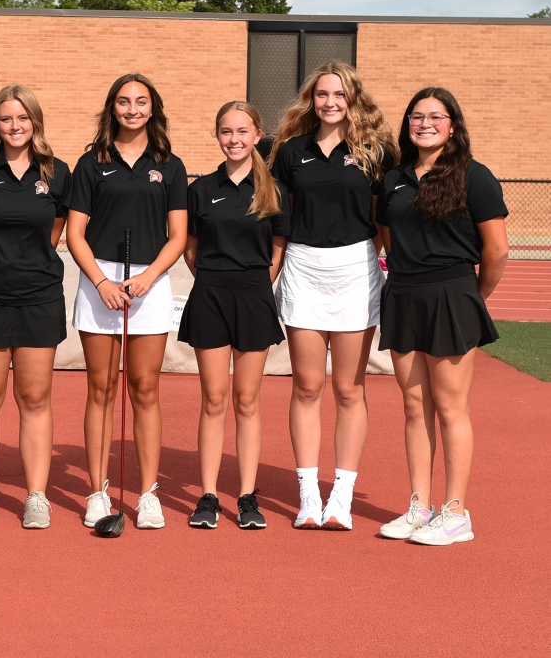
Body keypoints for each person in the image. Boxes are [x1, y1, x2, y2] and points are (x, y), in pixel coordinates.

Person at [268, 60, 399, 530]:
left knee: (348, 389)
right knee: (306, 386)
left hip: (355, 268)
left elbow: (385, 218)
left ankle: (341, 495)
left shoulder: (375, 150)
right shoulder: (289, 150)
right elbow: (278, 218)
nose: (330, 102)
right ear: (311, 98)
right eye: (322, 94)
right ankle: (308, 493)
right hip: (303, 267)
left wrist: (381, 260)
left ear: (352, 98)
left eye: (339, 95)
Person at [376, 88, 508, 545]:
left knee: (451, 409)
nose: (424, 124)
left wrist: (473, 297)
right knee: (415, 407)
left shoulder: (476, 176)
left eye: (435, 116)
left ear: (453, 124)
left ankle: (456, 512)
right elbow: (387, 238)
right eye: (416, 116)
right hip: (404, 295)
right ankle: (419, 505)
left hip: (452, 295)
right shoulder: (393, 178)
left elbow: (497, 249)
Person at [68, 73, 188, 530]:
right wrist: (100, 281)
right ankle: (97, 491)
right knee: (100, 389)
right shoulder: (91, 163)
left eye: (140, 102)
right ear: (112, 108)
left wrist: (149, 277)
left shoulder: (170, 165)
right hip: (99, 282)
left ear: (152, 108)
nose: (132, 109)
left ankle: (148, 493)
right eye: (123, 102)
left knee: (145, 390)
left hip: (148, 284)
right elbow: (75, 233)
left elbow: (177, 236)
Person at [0, 85, 71, 530]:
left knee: (36, 398)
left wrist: (25, 270)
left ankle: (36, 496)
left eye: (23, 118)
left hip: (39, 297)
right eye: (6, 119)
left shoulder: (58, 173)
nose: (15, 126)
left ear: (35, 122)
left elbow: (54, 233)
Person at [179, 101, 289, 529]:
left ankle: (246, 497)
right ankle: (207, 496)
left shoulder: (274, 190)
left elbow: (277, 252)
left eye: (242, 131)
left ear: (257, 134)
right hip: (210, 294)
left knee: (247, 400)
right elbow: (190, 249)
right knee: (214, 399)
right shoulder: (201, 188)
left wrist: (252, 285)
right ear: (217, 136)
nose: (234, 139)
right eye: (226, 131)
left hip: (254, 297)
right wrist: (215, 279)